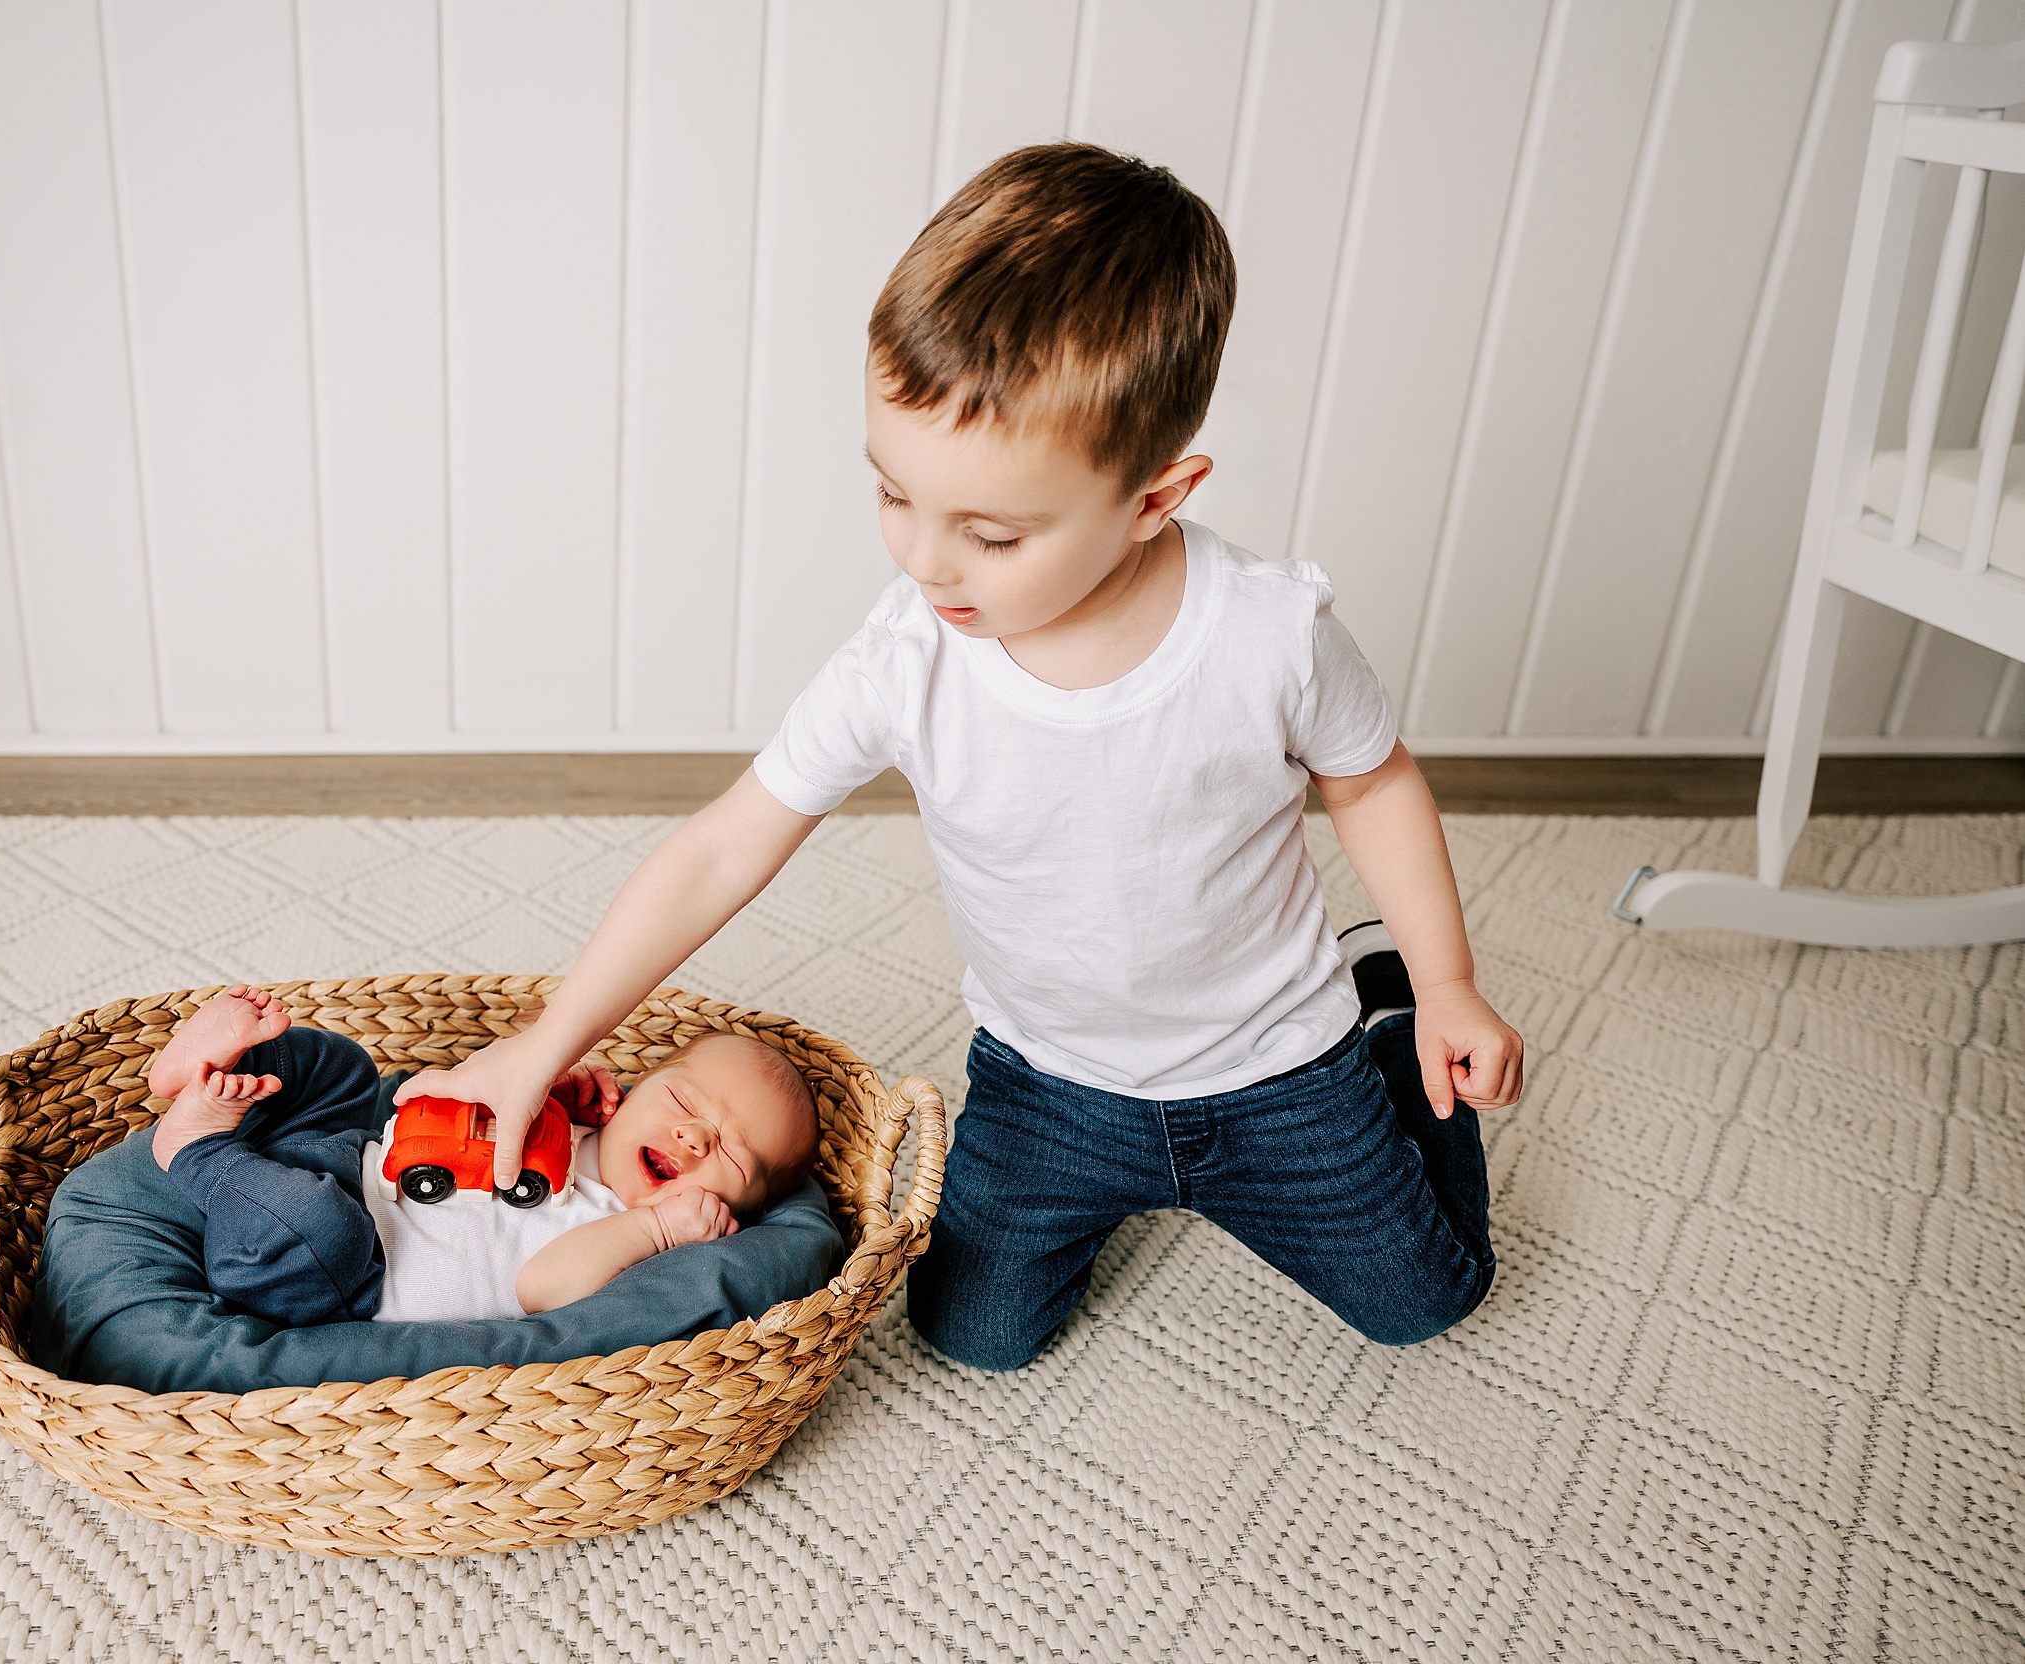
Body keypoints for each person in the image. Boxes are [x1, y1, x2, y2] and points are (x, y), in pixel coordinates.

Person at [398, 141, 1525, 1368]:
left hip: (1277, 1068)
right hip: (1052, 1084)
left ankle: (1389, 1006)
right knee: (971, 1336)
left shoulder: (1267, 634)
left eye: (988, 533)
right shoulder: (907, 655)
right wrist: (543, 1042)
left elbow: (1372, 778)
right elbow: (725, 843)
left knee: (1427, 1298)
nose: (924, 562)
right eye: (893, 495)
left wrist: (1450, 976)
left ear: (1156, 497)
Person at [146, 987, 820, 1324]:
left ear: (739, 1210)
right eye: (681, 1101)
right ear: (639, 1088)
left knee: (319, 1222)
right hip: (355, 1156)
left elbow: (544, 1286)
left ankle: (197, 1149)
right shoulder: (578, 1121)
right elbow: (458, 1102)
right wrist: (549, 1093)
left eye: (732, 1151)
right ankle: (206, 1070)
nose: (695, 1137)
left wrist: (661, 1228)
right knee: (346, 1072)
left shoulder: (640, 1238)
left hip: (333, 1268)